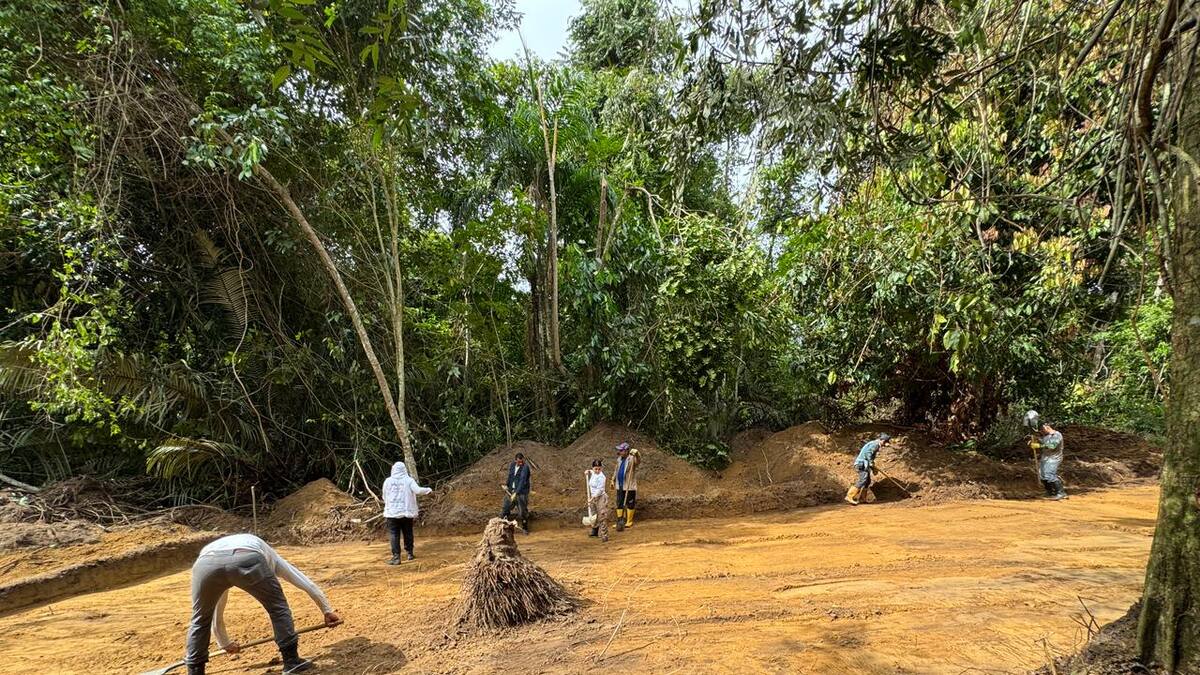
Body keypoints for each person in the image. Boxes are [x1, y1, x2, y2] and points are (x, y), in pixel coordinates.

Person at [184, 533, 342, 675]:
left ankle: (195, 671)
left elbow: (217, 607)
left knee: (200, 619)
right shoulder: (270, 555)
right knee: (278, 609)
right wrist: (327, 610)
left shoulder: (221, 546)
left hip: (205, 564)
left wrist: (224, 642)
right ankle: (292, 662)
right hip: (247, 557)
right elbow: (303, 582)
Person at [382, 461, 432, 564]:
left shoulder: (387, 481)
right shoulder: (409, 480)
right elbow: (418, 491)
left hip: (392, 513)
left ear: (393, 470)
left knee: (394, 534)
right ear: (404, 470)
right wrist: (428, 490)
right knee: (408, 532)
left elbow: (384, 495)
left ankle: (396, 557)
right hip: (406, 512)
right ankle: (410, 553)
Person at [845, 433, 891, 505]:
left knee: (867, 481)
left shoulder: (875, 444)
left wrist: (873, 468)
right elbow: (868, 454)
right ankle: (849, 496)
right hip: (861, 464)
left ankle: (862, 499)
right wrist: (871, 463)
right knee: (863, 479)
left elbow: (870, 457)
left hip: (864, 464)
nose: (885, 444)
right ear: (882, 440)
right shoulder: (875, 444)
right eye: (885, 442)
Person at [1031, 422, 1067, 500]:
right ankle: (1049, 492)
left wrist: (1039, 446)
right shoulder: (1046, 436)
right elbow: (1045, 442)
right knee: (1042, 475)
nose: (1041, 431)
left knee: (1049, 474)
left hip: (1054, 458)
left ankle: (1061, 493)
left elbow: (1052, 446)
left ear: (1046, 427)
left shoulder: (1057, 435)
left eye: (1042, 429)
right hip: (1046, 457)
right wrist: (1036, 440)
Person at [612, 442, 641, 531]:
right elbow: (616, 470)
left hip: (629, 485)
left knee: (630, 503)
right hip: (620, 485)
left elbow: (638, 461)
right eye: (619, 450)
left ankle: (629, 520)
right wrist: (612, 479)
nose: (620, 452)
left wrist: (637, 454)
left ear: (627, 450)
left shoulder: (632, 458)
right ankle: (620, 520)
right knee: (619, 503)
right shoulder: (619, 459)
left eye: (621, 450)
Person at [500, 451, 532, 531]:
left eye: (521, 462)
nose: (520, 463)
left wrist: (516, 493)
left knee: (522, 511)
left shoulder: (525, 467)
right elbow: (510, 476)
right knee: (506, 507)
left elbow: (522, 481)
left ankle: (525, 527)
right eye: (518, 462)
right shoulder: (512, 465)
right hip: (511, 490)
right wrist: (507, 486)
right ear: (515, 460)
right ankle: (504, 527)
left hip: (521, 493)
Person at [586, 459, 610, 542]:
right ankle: (595, 530)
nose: (597, 470)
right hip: (593, 497)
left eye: (599, 469)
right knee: (594, 515)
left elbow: (600, 490)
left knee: (602, 515)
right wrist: (588, 471)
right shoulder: (593, 473)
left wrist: (592, 498)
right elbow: (591, 472)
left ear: (601, 468)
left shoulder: (602, 477)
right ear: (593, 468)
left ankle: (604, 534)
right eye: (595, 469)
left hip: (601, 497)